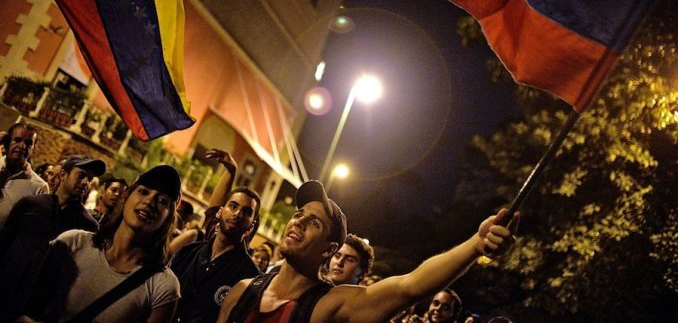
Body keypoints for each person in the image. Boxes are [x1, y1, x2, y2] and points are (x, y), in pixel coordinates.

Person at [217, 180, 518, 323]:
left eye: (314, 223)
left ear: (329, 250)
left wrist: (475, 246)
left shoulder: (331, 305)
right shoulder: (242, 292)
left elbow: (409, 286)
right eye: (299, 214)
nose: (299, 222)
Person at [21, 165, 182, 322]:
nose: (149, 202)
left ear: (168, 217)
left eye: (162, 200)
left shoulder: (163, 287)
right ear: (126, 197)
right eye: (143, 192)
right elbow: (23, 310)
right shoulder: (72, 243)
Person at [0, 154, 105, 320]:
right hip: (4, 291)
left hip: (37, 309)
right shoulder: (30, 204)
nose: (86, 182)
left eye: (90, 178)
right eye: (81, 175)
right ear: (63, 175)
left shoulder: (88, 226)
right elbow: (4, 244)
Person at [171, 186, 261, 323]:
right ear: (219, 212)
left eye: (247, 212)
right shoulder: (188, 252)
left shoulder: (251, 277)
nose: (238, 214)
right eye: (233, 206)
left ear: (251, 226)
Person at [0, 122, 48, 229]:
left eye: (28, 143)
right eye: (17, 140)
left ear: (33, 147)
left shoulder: (39, 187)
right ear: (7, 142)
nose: (22, 146)